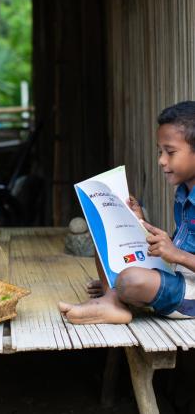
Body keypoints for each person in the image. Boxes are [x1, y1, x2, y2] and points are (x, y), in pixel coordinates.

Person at [59, 101, 195, 324]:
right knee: (108, 237)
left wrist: (176, 255)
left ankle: (115, 295)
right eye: (160, 152)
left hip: (191, 293)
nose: (161, 160)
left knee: (132, 279)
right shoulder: (183, 193)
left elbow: (178, 254)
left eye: (170, 152)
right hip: (179, 276)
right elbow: (181, 246)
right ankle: (114, 295)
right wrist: (138, 222)